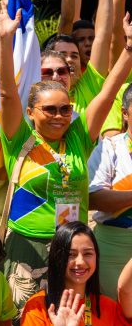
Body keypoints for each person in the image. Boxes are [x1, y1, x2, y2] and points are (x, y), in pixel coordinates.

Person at [0, 0, 132, 313]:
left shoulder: (78, 135)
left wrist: (130, 49)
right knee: (27, 319)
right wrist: (4, 39)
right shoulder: (18, 137)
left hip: (73, 251)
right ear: (30, 111)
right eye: (49, 109)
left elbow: (107, 94)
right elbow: (9, 92)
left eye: (65, 109)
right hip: (26, 248)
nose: (59, 116)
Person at [20, 222, 132, 325]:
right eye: (71, 255)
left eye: (88, 253)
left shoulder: (109, 308)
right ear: (56, 258)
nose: (80, 262)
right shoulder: (38, 308)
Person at [88, 83, 132, 298]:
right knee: (112, 312)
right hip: (113, 247)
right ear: (125, 113)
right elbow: (94, 198)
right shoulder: (110, 147)